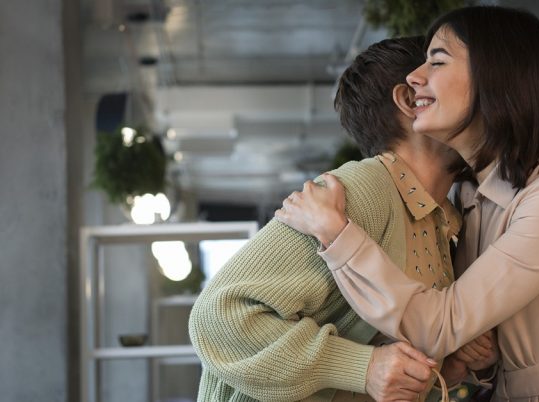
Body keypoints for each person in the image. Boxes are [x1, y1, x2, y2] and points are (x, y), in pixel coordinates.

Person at [275, 6, 539, 402]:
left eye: (437, 61)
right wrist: (482, 354)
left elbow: (438, 324)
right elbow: (472, 331)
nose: (415, 79)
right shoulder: (468, 198)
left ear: (495, 76)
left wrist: (336, 234)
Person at [189, 36, 494, 402]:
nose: (486, 103)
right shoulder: (365, 189)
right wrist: (362, 367)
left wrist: (445, 370)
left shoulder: (442, 218)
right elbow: (218, 317)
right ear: (413, 99)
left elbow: (382, 368)